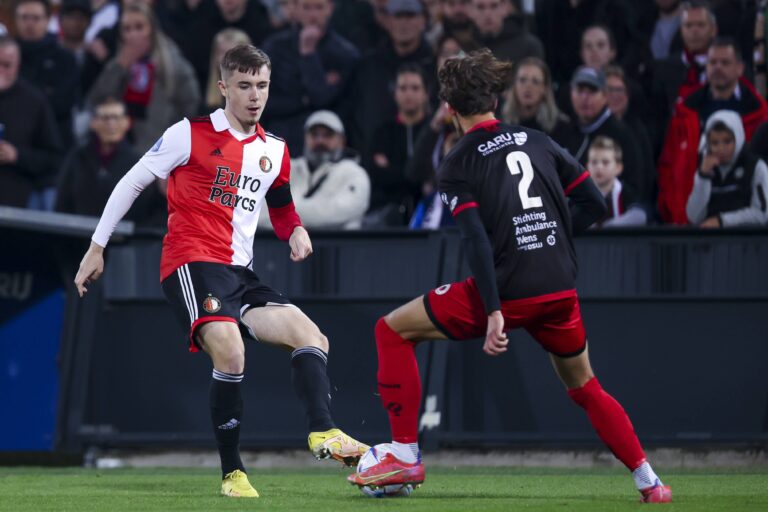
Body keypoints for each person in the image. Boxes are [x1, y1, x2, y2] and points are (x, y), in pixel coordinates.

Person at [346, 49, 672, 504]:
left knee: (391, 330)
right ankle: (650, 481)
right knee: (586, 386)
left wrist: (495, 311)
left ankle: (404, 453)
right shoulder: (539, 140)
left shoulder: (458, 162)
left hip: (508, 291)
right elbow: (595, 205)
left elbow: (476, 241)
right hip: (559, 288)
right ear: (496, 102)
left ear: (448, 109)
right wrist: (551, 239)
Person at [73, 44, 368, 498]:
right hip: (191, 264)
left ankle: (323, 432)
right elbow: (130, 181)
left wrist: (296, 231)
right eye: (245, 85)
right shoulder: (187, 134)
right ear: (224, 87)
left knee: (312, 336)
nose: (255, 95)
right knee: (231, 352)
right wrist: (97, 247)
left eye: (263, 85)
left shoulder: (275, 150)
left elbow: (282, 205)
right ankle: (233, 472)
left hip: (240, 274)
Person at [657, 37, 768, 224]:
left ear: (740, 68)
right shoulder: (684, 112)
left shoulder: (760, 115)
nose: (718, 68)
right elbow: (669, 164)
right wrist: (673, 212)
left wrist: (723, 221)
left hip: (748, 235)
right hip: (690, 222)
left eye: (725, 62)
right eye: (713, 62)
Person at [87, 2, 200, 152]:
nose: (133, 34)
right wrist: (119, 67)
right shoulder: (117, 63)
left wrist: (172, 132)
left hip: (161, 147)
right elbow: (95, 102)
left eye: (139, 27)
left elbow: (191, 102)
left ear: (151, 30)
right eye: (127, 29)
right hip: (120, 148)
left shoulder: (171, 61)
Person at [261, 0, 360, 153]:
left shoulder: (345, 54)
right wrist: (303, 100)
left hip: (326, 146)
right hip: (279, 143)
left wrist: (308, 54)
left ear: (330, 9)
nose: (313, 15)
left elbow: (323, 100)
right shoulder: (274, 48)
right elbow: (264, 103)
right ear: (295, 8)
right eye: (306, 7)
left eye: (319, 7)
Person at [55, 97, 165, 223]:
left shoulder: (139, 164)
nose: (111, 124)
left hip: (122, 239)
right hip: (76, 236)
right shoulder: (77, 158)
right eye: (105, 118)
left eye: (116, 118)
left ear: (127, 123)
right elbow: (62, 203)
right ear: (94, 123)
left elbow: (147, 209)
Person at [260, 110, 370, 230]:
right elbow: (254, 211)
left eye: (327, 135)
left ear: (342, 140)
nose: (320, 141)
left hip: (336, 246)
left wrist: (283, 212)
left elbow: (341, 211)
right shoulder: (283, 168)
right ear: (305, 138)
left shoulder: (354, 173)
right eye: (314, 134)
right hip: (281, 247)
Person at [0, 35, 63, 208]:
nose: (1, 71)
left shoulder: (34, 102)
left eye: (7, 65)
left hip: (17, 204)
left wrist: (17, 156)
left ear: (18, 66)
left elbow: (53, 159)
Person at [366, 63, 429, 226]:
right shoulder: (382, 132)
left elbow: (434, 173)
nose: (409, 94)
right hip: (388, 211)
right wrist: (416, 179)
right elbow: (377, 175)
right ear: (395, 94)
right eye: (403, 88)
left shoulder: (433, 130)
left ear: (425, 94)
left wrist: (393, 169)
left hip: (428, 211)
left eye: (415, 88)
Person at [686, 110, 768, 227]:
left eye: (727, 141)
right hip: (711, 242)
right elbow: (693, 217)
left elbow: (762, 213)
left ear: (737, 139)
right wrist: (703, 177)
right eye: (715, 143)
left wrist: (721, 221)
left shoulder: (756, 167)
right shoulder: (705, 168)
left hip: (747, 242)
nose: (721, 148)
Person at [501, 57, 572, 146]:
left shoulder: (561, 128)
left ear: (545, 89)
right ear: (514, 86)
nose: (528, 86)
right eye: (522, 80)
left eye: (535, 81)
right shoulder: (500, 124)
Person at [587, 136, 647, 227]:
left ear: (618, 168)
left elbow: (640, 216)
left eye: (605, 162)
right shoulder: (582, 194)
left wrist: (610, 226)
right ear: (587, 166)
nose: (599, 167)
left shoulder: (625, 192)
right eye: (594, 162)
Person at [202, 28, 252, 113]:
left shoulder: (258, 96)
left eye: (232, 53)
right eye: (221, 52)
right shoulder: (204, 93)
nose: (226, 59)